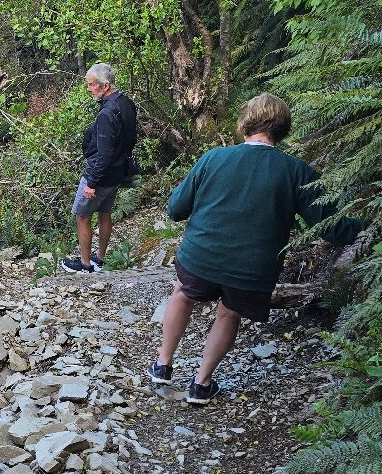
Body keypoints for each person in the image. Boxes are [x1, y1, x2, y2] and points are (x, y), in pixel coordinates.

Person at [148, 93, 364, 404]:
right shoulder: (296, 171)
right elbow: (331, 226)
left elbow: (176, 209)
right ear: (283, 128)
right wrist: (368, 221)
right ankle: (201, 384)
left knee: (182, 292)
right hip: (251, 270)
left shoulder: (214, 158)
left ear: (245, 123)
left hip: (200, 257)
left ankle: (162, 365)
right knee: (228, 314)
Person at [61, 62, 138, 274]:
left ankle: (85, 265)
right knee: (105, 213)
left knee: (82, 216)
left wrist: (91, 182)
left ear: (105, 86)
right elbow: (131, 139)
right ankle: (100, 259)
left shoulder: (107, 113)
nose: (88, 89)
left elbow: (104, 154)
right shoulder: (127, 104)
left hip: (101, 175)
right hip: (118, 173)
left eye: (92, 85)